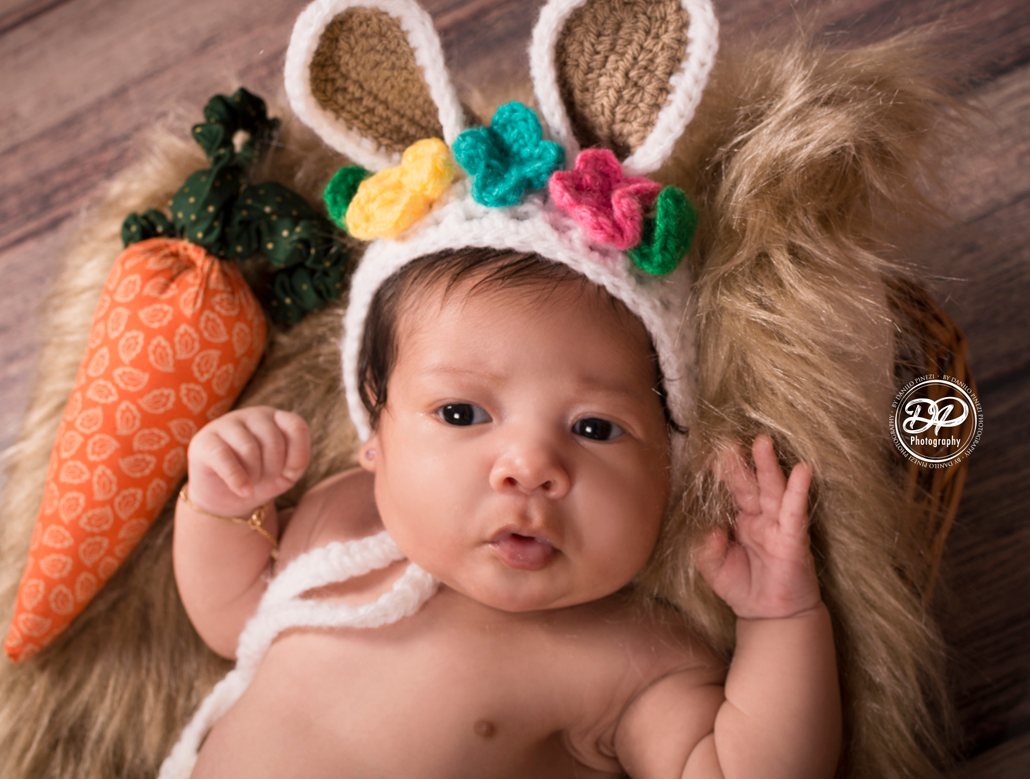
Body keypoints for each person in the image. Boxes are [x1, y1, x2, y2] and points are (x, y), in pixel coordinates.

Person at [170, 247, 840, 778]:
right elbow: (231, 620)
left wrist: (779, 618)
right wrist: (222, 505)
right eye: (462, 413)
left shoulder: (630, 658)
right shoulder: (342, 518)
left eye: (596, 428)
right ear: (376, 428)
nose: (529, 465)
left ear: (668, 472)